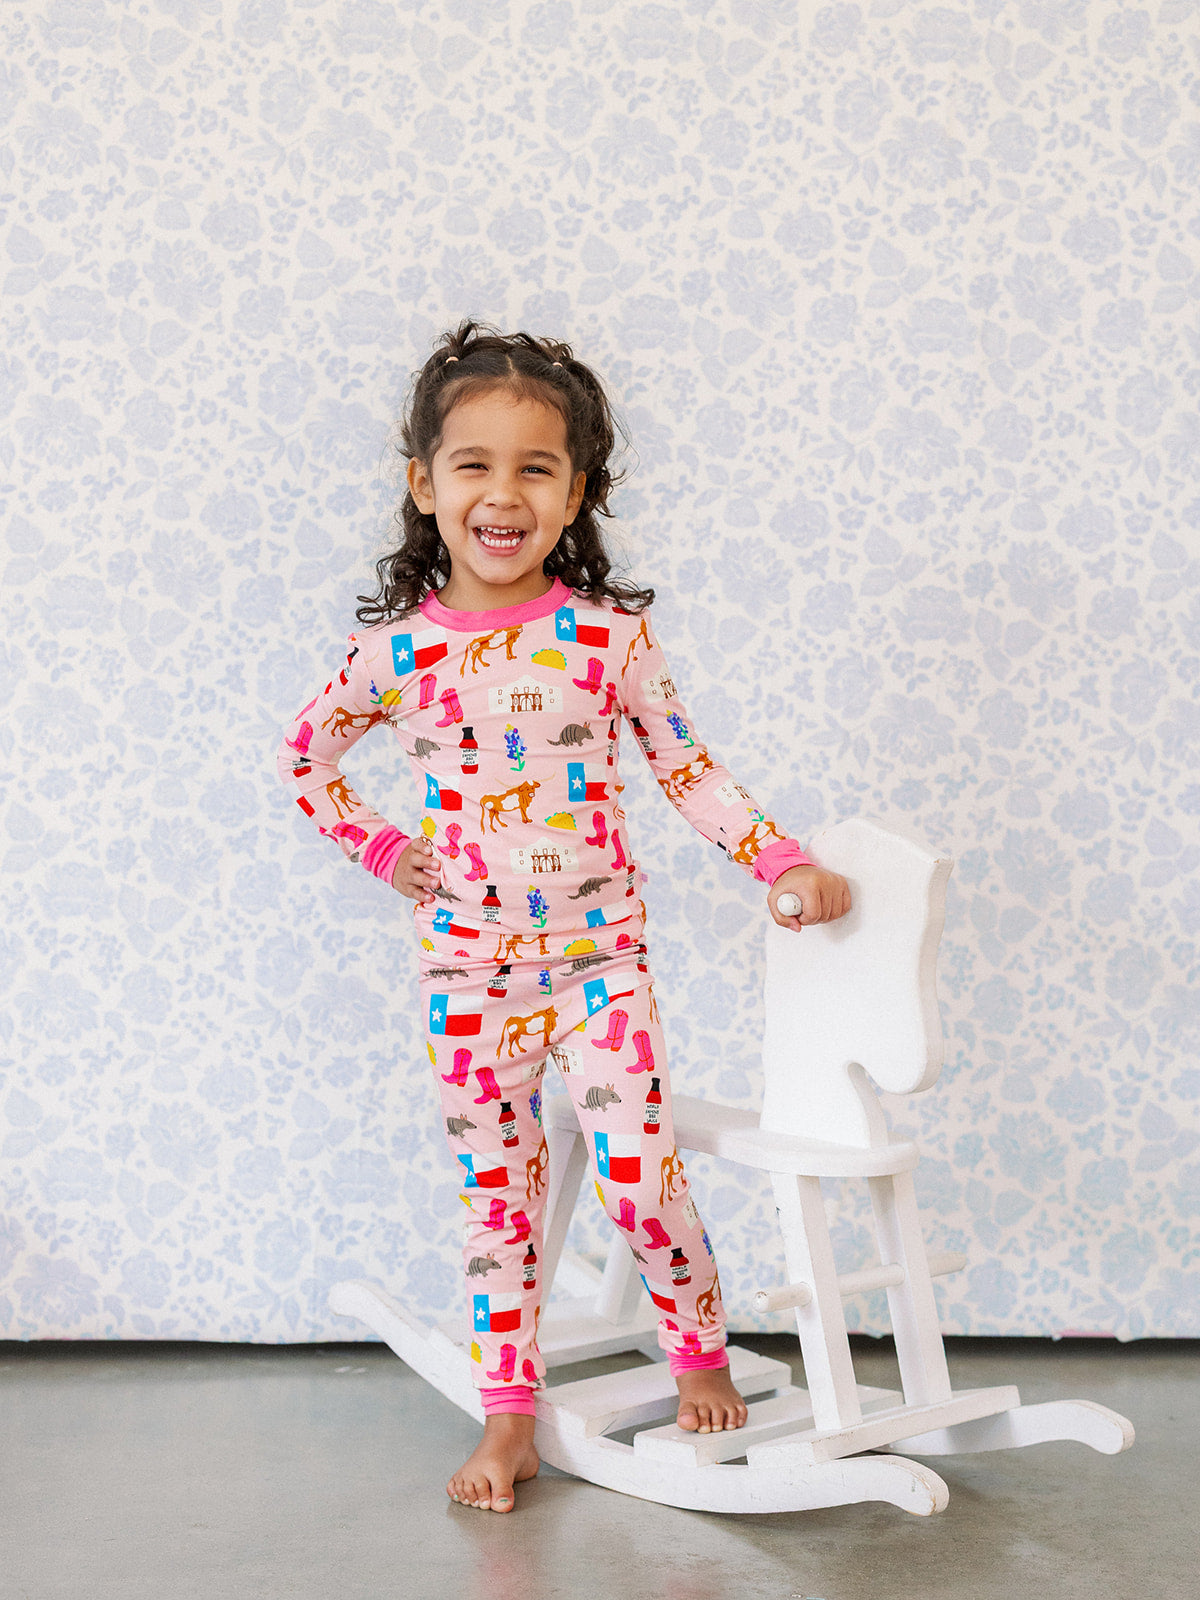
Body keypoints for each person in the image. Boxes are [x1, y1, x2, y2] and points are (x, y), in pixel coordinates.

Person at [277, 320, 851, 1512]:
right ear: (423, 485)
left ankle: (698, 1348)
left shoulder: (607, 638)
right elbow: (305, 761)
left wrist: (780, 860)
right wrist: (385, 847)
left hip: (599, 969)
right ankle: (508, 1417)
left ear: (575, 492)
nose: (503, 494)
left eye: (536, 468)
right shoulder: (394, 655)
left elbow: (690, 769)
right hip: (468, 979)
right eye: (473, 464)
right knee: (500, 1202)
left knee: (640, 1179)